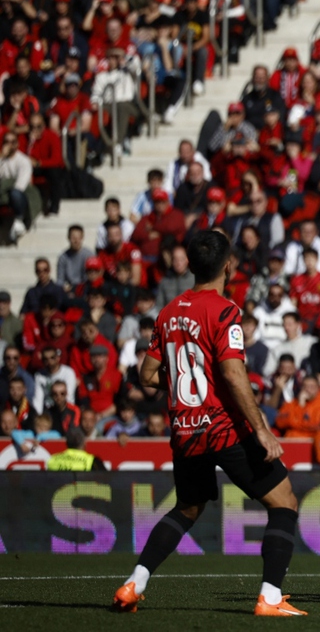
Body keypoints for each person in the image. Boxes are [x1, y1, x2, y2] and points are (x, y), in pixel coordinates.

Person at [113, 230, 305, 617]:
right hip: (223, 427)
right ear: (228, 266)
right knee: (284, 502)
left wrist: (186, 382)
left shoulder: (168, 312)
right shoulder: (225, 310)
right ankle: (269, 598)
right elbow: (233, 375)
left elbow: (147, 375)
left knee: (187, 508)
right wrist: (263, 430)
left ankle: (135, 582)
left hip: (185, 430)